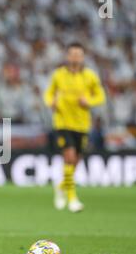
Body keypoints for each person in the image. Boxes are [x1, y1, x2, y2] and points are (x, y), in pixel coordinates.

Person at [44, 42, 106, 212]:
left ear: (83, 57)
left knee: (76, 161)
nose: (75, 57)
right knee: (69, 157)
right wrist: (52, 102)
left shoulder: (90, 76)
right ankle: (72, 199)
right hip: (63, 122)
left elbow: (101, 95)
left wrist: (90, 101)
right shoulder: (59, 75)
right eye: (72, 54)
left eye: (78, 54)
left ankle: (61, 186)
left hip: (82, 124)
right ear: (67, 56)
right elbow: (49, 93)